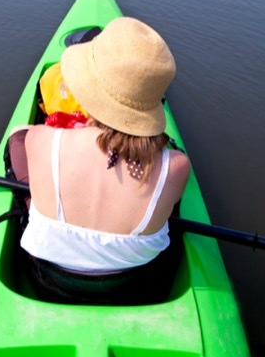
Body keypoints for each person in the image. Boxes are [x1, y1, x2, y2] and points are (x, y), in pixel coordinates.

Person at [14, 17, 192, 304]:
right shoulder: (178, 167)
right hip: (133, 288)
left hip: (49, 283)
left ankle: (28, 203)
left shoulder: (42, 139)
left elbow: (26, 139)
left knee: (17, 138)